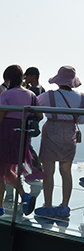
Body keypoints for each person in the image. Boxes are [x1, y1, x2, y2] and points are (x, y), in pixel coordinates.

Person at [0, 65, 41, 216]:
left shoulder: (6, 94)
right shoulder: (31, 95)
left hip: (5, 132)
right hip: (21, 133)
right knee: (7, 170)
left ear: (7, 79)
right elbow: (39, 115)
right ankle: (24, 195)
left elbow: (0, 118)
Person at [34, 66, 83, 219]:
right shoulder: (81, 97)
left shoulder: (48, 96)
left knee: (48, 171)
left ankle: (48, 205)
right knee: (66, 171)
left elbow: (34, 107)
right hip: (69, 134)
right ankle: (64, 206)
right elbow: (81, 120)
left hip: (51, 132)